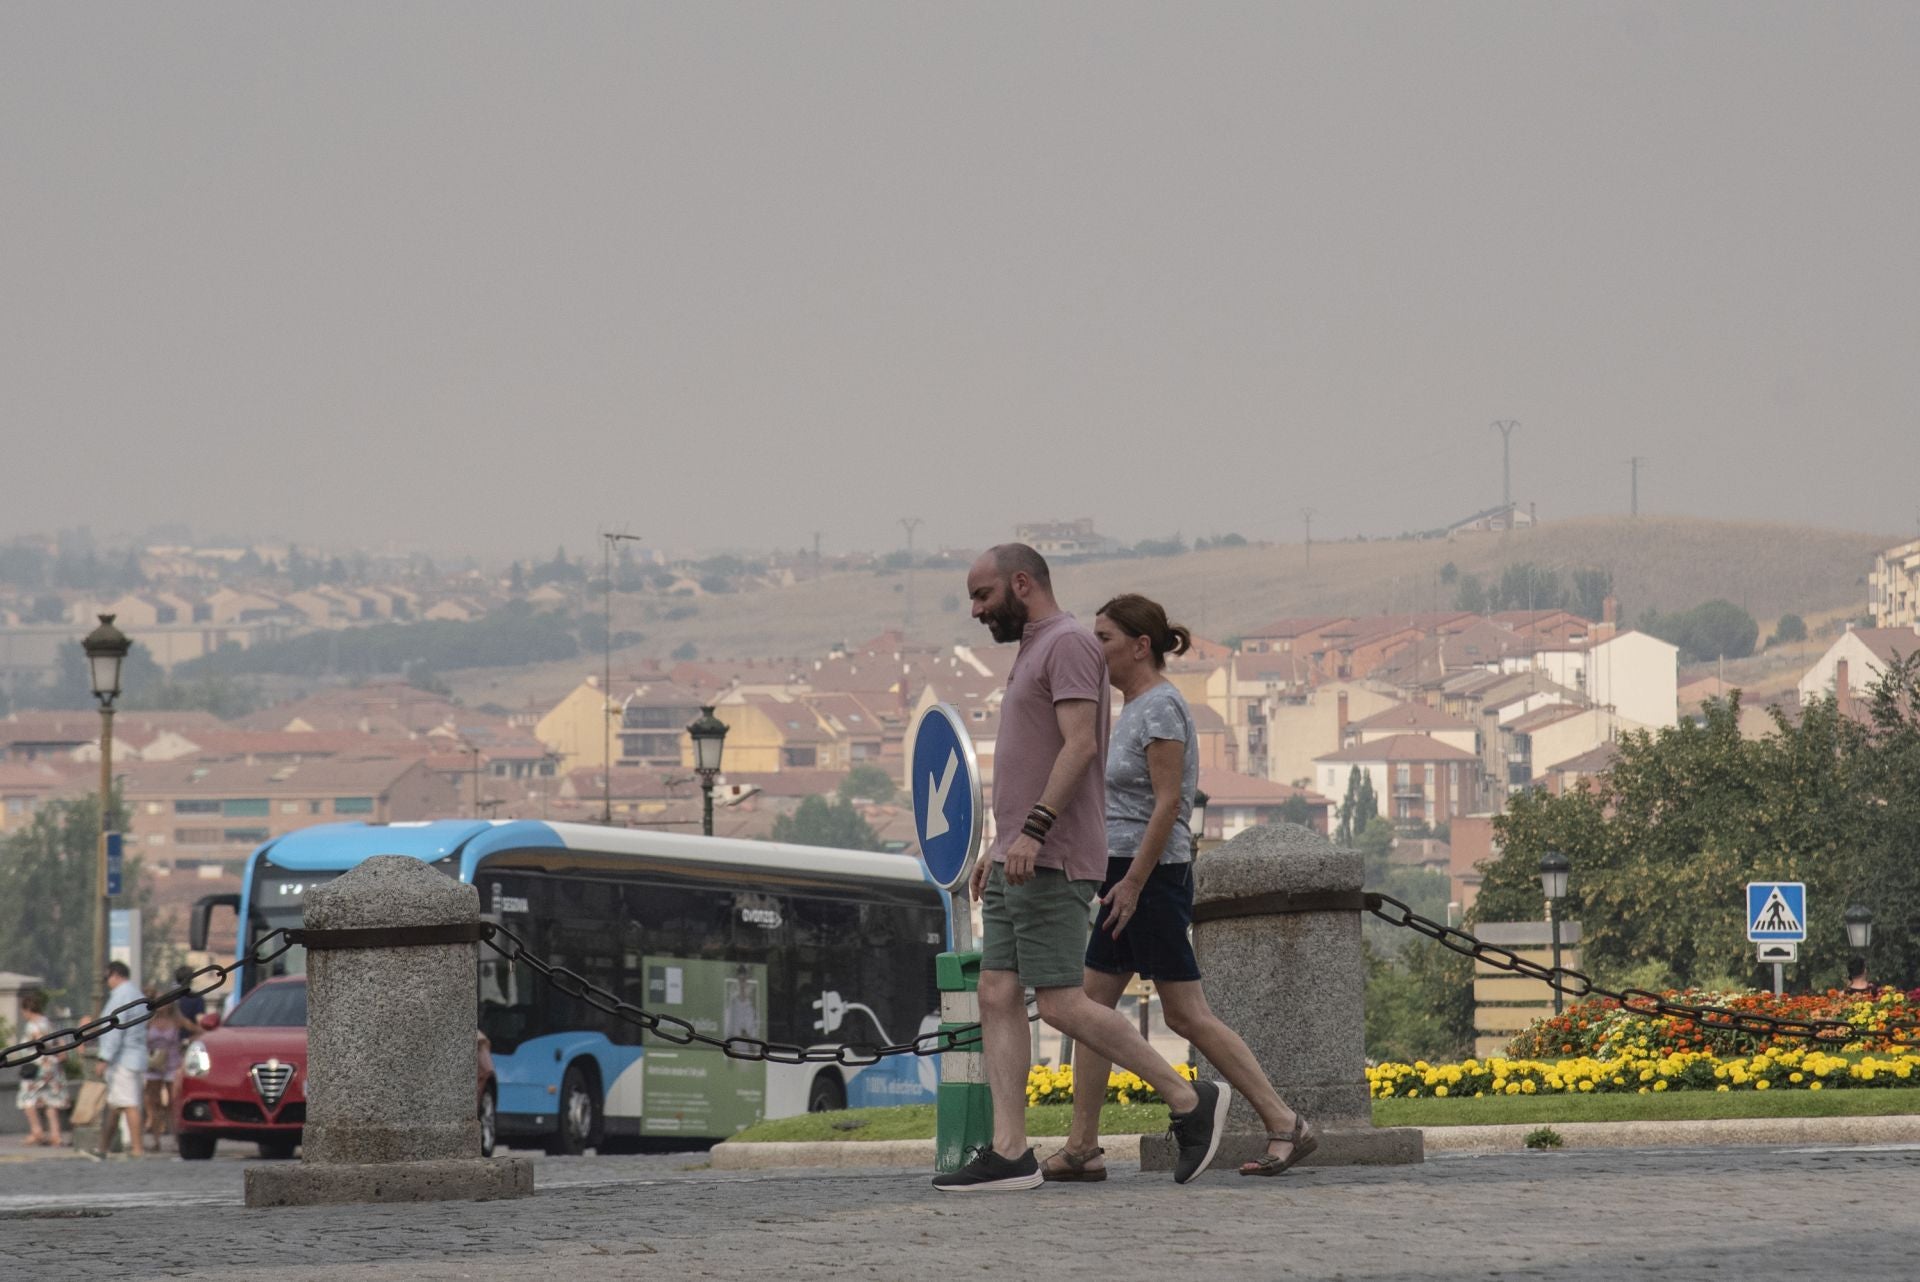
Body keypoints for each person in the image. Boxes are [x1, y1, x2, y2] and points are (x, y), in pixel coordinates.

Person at [931, 545, 1228, 1192]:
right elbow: (1029, 759)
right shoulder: (1034, 649)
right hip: (1018, 855)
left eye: (983, 597)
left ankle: (1187, 1098)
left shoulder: (1065, 642)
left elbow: (1080, 746)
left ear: (1021, 584)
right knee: (997, 992)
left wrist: (1033, 832)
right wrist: (998, 842)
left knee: (1064, 1002)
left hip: (1052, 857)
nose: (977, 611)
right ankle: (1010, 1151)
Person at [1041, 594, 1316, 1182]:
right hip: (1124, 874)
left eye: (1106, 638)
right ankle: (1083, 1146)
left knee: (1186, 1014)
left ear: (1141, 646)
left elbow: (1171, 802)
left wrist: (1135, 883)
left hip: (1151, 876)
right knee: (1090, 1010)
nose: (1096, 649)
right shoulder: (1128, 707)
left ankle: (1283, 1120)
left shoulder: (1160, 707)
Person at [89, 961, 148, 1158]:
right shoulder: (136, 994)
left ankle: (137, 1148)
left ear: (115, 974)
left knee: (129, 1104)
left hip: (123, 1059)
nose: (107, 983)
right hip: (135, 1056)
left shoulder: (121, 996)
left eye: (107, 978)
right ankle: (103, 1147)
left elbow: (114, 1029)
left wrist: (103, 1057)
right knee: (114, 1107)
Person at [141, 981, 197, 1146]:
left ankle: (177, 1138)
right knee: (154, 1103)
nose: (161, 1005)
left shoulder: (177, 1020)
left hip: (172, 1063)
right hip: (153, 1064)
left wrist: (186, 1042)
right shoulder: (148, 1020)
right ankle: (156, 1140)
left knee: (173, 1102)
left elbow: (198, 1030)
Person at [14, 991, 69, 1148]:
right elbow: (60, 1041)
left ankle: (36, 1131)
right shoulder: (48, 1021)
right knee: (51, 1100)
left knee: (26, 1098)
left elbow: (38, 1044)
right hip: (53, 1066)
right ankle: (56, 1135)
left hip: (38, 1067)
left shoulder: (33, 1025)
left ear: (27, 1010)